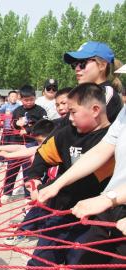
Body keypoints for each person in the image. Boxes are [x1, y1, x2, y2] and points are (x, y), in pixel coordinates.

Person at [36, 63, 126, 267]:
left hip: (112, 202)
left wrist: (109, 199)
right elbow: (101, 150)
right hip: (112, 207)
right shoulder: (125, 114)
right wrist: (57, 184)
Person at [0, 119, 55, 246]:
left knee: (41, 209)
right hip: (43, 185)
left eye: (42, 141)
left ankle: (24, 230)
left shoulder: (58, 147)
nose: (40, 144)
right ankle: (28, 229)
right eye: (38, 142)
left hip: (54, 187)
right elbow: (22, 148)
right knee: (39, 208)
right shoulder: (41, 147)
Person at [2, 85, 47, 201]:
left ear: (35, 97)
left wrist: (28, 129)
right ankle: (7, 192)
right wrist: (17, 124)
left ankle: (28, 194)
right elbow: (11, 124)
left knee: (29, 170)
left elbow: (44, 125)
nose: (28, 102)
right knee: (11, 169)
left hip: (32, 144)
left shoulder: (40, 111)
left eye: (31, 99)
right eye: (26, 100)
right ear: (20, 99)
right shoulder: (17, 110)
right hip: (16, 143)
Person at [63, 41, 123, 123]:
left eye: (82, 63)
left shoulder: (105, 95)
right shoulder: (85, 93)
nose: (77, 68)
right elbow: (63, 123)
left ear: (102, 65)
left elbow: (75, 128)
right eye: (75, 64)